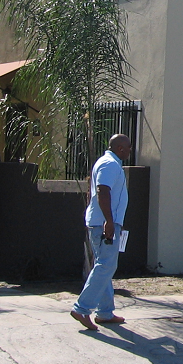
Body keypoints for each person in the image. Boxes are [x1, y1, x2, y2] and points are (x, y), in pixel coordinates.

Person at [70, 134, 131, 331]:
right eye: (128, 147)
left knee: (104, 266)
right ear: (120, 148)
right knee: (106, 266)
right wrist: (109, 222)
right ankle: (82, 308)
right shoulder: (109, 165)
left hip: (101, 223)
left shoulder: (108, 163)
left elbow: (93, 192)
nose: (130, 151)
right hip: (104, 225)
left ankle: (105, 313)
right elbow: (102, 191)